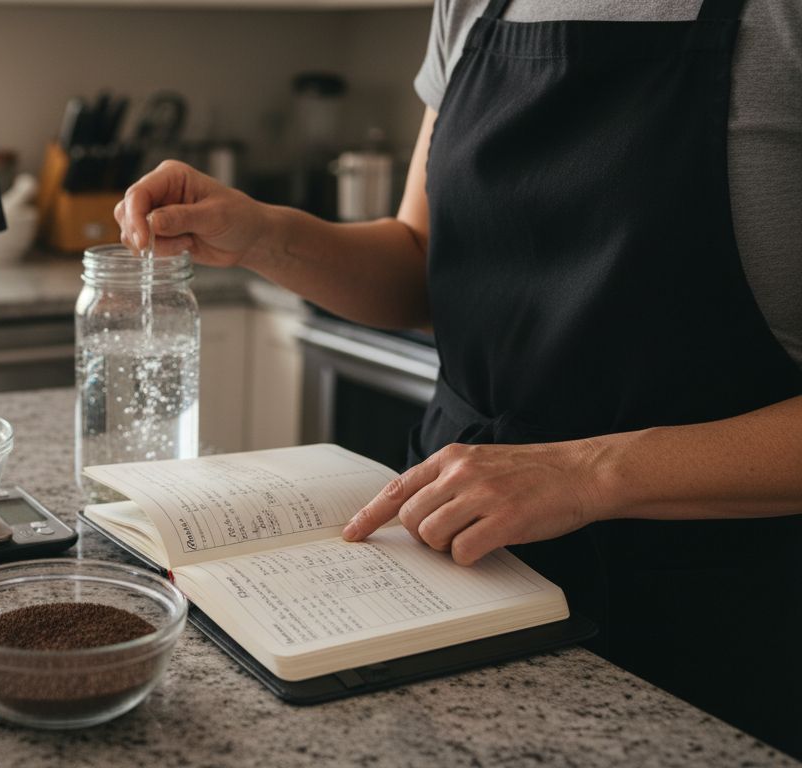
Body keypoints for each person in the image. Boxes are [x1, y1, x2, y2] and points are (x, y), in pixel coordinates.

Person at [115, 0, 801, 755]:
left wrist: (583, 472)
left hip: (715, 604)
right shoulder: (472, 6)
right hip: (461, 569)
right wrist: (263, 235)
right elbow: (421, 264)